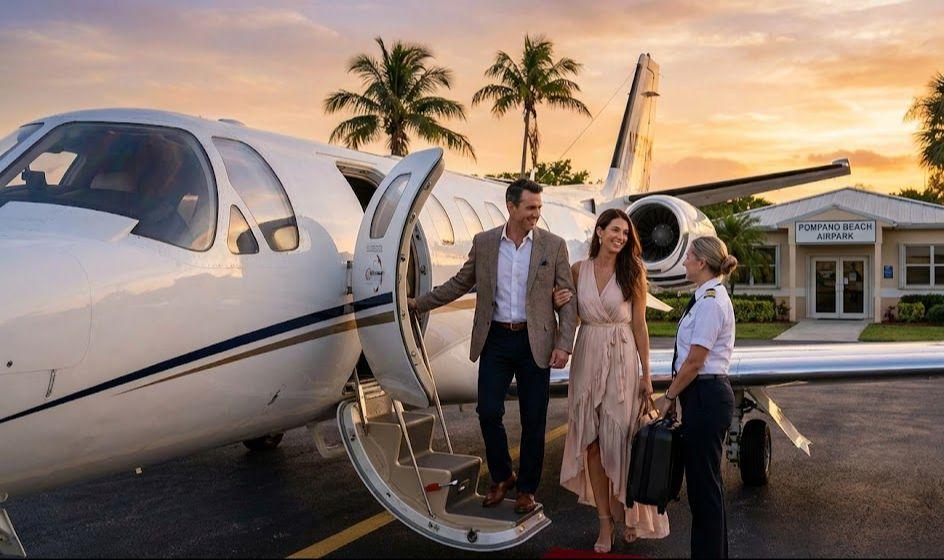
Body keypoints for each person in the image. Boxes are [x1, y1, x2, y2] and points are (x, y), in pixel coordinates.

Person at [408, 178, 577, 514]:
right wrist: (417, 304)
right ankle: (502, 476)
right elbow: (460, 282)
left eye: (539, 208)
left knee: (534, 420)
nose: (536, 215)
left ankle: (527, 490)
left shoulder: (552, 246)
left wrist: (564, 344)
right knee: (487, 410)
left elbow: (567, 298)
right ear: (511, 207)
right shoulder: (485, 243)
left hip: (535, 341)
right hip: (496, 339)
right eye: (530, 208)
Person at [554, 209, 669, 553]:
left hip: (621, 358)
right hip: (588, 353)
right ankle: (605, 523)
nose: (620, 237)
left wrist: (647, 374)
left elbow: (640, 326)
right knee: (590, 441)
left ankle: (629, 513)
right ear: (600, 232)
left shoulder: (633, 271)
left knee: (623, 440)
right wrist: (555, 301)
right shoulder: (579, 270)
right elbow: (570, 319)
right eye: (615, 231)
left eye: (625, 233)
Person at [662, 236, 738, 559]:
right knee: (706, 486)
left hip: (706, 396)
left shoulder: (710, 302)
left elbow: (695, 361)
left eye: (689, 256)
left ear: (702, 263)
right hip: (703, 396)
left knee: (704, 489)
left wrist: (669, 396)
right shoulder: (707, 297)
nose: (685, 261)